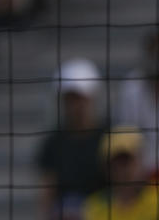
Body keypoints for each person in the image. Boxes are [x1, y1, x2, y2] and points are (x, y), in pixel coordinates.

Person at [36, 58, 107, 220]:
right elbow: (47, 188)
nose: (75, 105)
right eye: (69, 99)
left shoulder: (108, 136)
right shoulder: (53, 141)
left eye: (80, 98)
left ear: (92, 97)